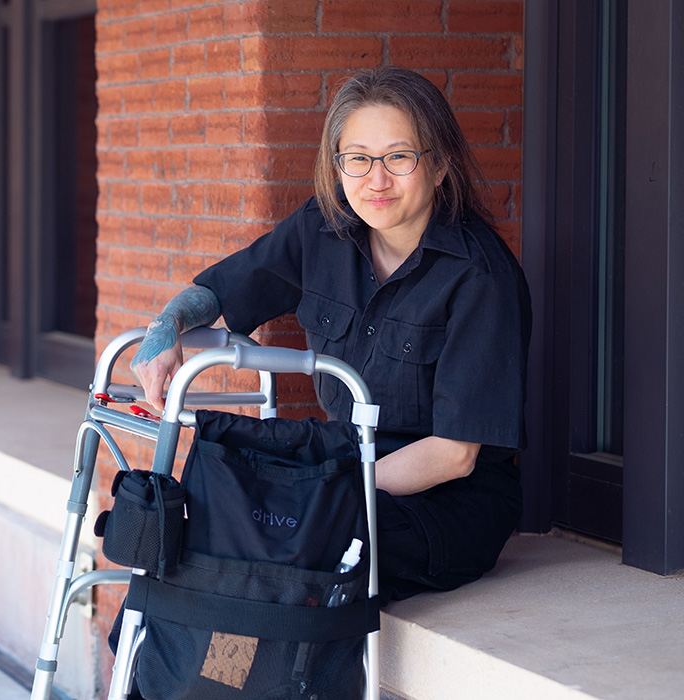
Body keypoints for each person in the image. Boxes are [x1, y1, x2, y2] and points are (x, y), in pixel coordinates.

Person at [130, 66, 532, 602]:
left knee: (285, 545)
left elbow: (453, 455)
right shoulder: (324, 229)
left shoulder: (481, 278)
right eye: (358, 159)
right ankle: (154, 677)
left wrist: (326, 492)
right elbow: (224, 290)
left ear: (438, 167)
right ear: (338, 165)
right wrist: (164, 329)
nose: (377, 180)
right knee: (200, 516)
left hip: (442, 503)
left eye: (399, 157)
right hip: (345, 466)